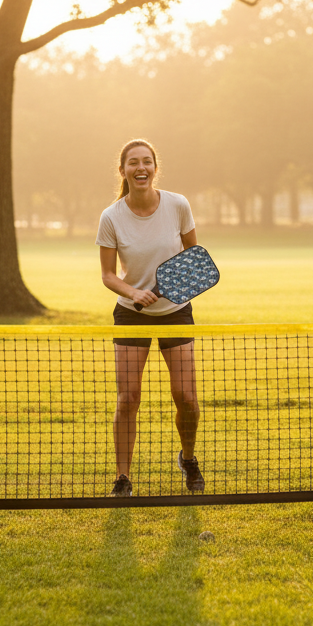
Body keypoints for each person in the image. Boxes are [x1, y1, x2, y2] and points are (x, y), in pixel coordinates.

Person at [97, 139, 204, 497]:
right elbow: (108, 275)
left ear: (155, 168)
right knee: (128, 398)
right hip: (132, 315)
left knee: (186, 397)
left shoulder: (177, 205)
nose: (140, 168)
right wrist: (134, 293)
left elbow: (195, 256)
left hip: (175, 312)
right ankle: (122, 478)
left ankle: (188, 458)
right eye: (133, 163)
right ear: (123, 170)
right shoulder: (111, 217)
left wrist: (178, 288)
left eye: (147, 162)